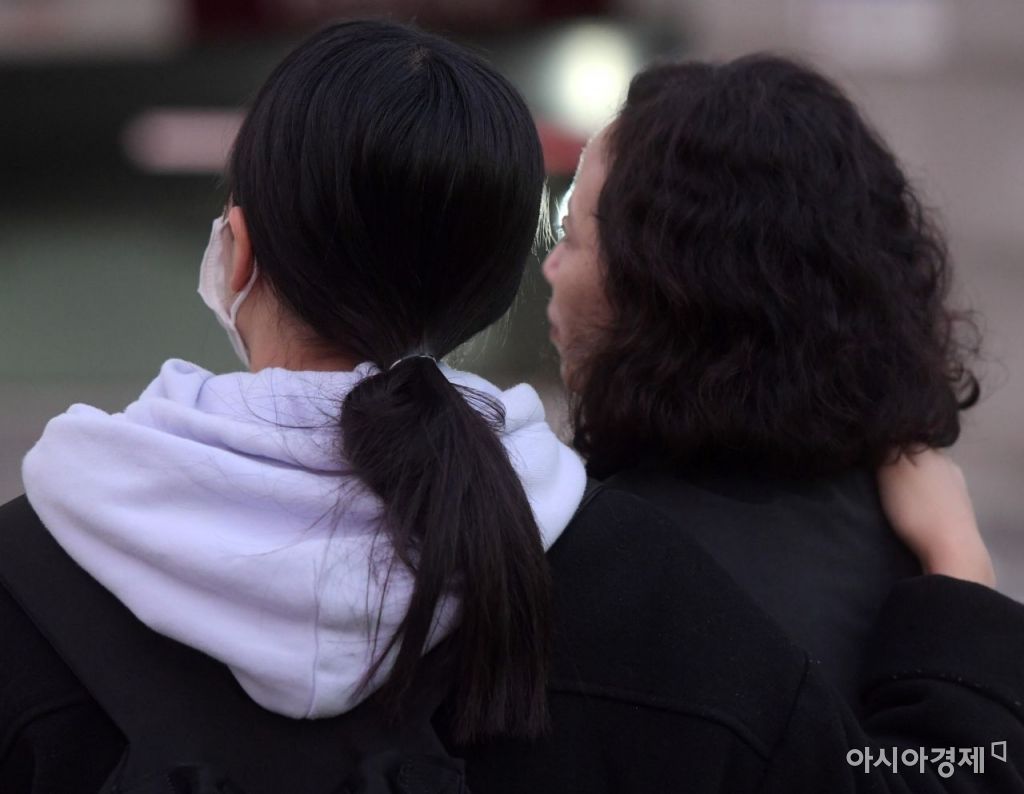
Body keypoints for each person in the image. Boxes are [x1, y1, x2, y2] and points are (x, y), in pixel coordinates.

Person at [2, 21, 1024, 794]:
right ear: (493, 293)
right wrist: (960, 587)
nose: (559, 264)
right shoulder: (643, 591)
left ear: (238, 252)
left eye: (575, 233)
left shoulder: (34, 567)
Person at [542, 53, 990, 704]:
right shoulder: (910, 530)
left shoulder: (602, 569)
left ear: (664, 294)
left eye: (571, 236)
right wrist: (961, 563)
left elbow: (952, 758)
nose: (551, 266)